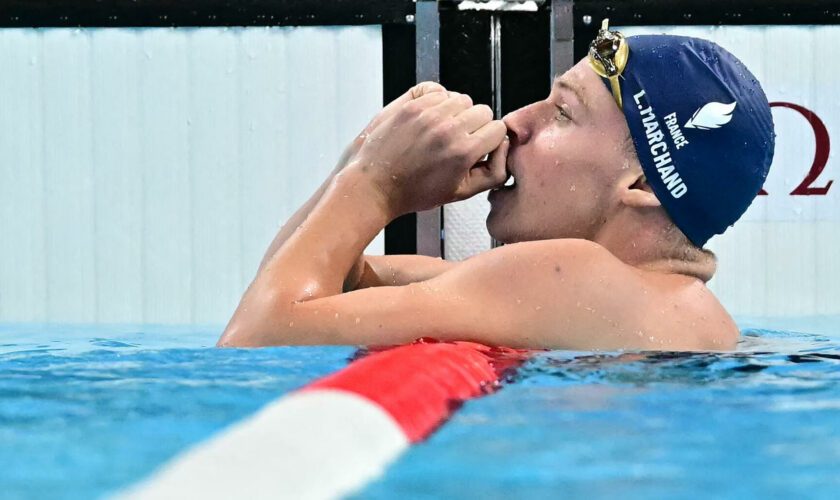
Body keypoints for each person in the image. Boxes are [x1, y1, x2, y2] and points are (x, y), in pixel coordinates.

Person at [217, 22, 775, 351]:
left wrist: (375, 184)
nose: (515, 123)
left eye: (561, 113)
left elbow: (254, 341)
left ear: (643, 185)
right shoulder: (648, 304)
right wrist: (366, 159)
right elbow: (324, 285)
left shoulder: (581, 278)